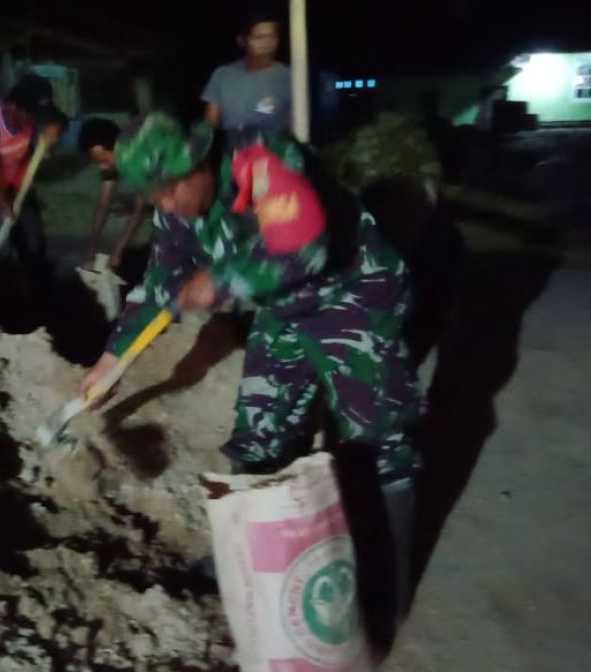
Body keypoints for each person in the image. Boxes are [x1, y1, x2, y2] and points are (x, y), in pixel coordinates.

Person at [80, 113, 423, 620]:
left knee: (375, 441)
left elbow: (304, 242)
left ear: (199, 164)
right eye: (154, 198)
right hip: (285, 307)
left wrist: (221, 280)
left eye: (170, 192)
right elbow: (160, 282)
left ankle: (384, 589)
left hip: (352, 294)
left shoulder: (258, 157)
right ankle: (243, 560)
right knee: (259, 433)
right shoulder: (173, 207)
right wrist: (111, 360)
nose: (167, 206)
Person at [0, 74, 64, 267]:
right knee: (4, 248)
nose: (36, 119)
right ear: (13, 106)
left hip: (20, 184)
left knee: (34, 244)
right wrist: (4, 206)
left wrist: (56, 128)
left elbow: (59, 119)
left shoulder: (34, 113)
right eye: (32, 114)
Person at [202, 11, 293, 135]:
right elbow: (209, 127)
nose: (267, 44)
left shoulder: (290, 78)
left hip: (275, 152)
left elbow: (297, 128)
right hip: (232, 152)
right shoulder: (222, 76)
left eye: (272, 37)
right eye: (259, 38)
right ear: (241, 41)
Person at [78, 117, 146, 270]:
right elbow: (103, 203)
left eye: (104, 160)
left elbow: (139, 208)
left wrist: (118, 250)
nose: (103, 167)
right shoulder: (110, 159)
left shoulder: (140, 154)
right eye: (98, 162)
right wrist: (92, 245)